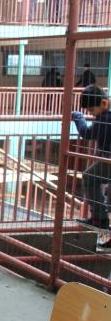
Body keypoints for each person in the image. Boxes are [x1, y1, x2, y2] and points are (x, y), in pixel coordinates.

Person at [72, 85, 111, 241]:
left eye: (91, 111)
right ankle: (100, 218)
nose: (91, 114)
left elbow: (87, 133)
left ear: (104, 103)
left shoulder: (105, 119)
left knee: (89, 177)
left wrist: (79, 118)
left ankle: (100, 219)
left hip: (108, 159)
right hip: (106, 157)